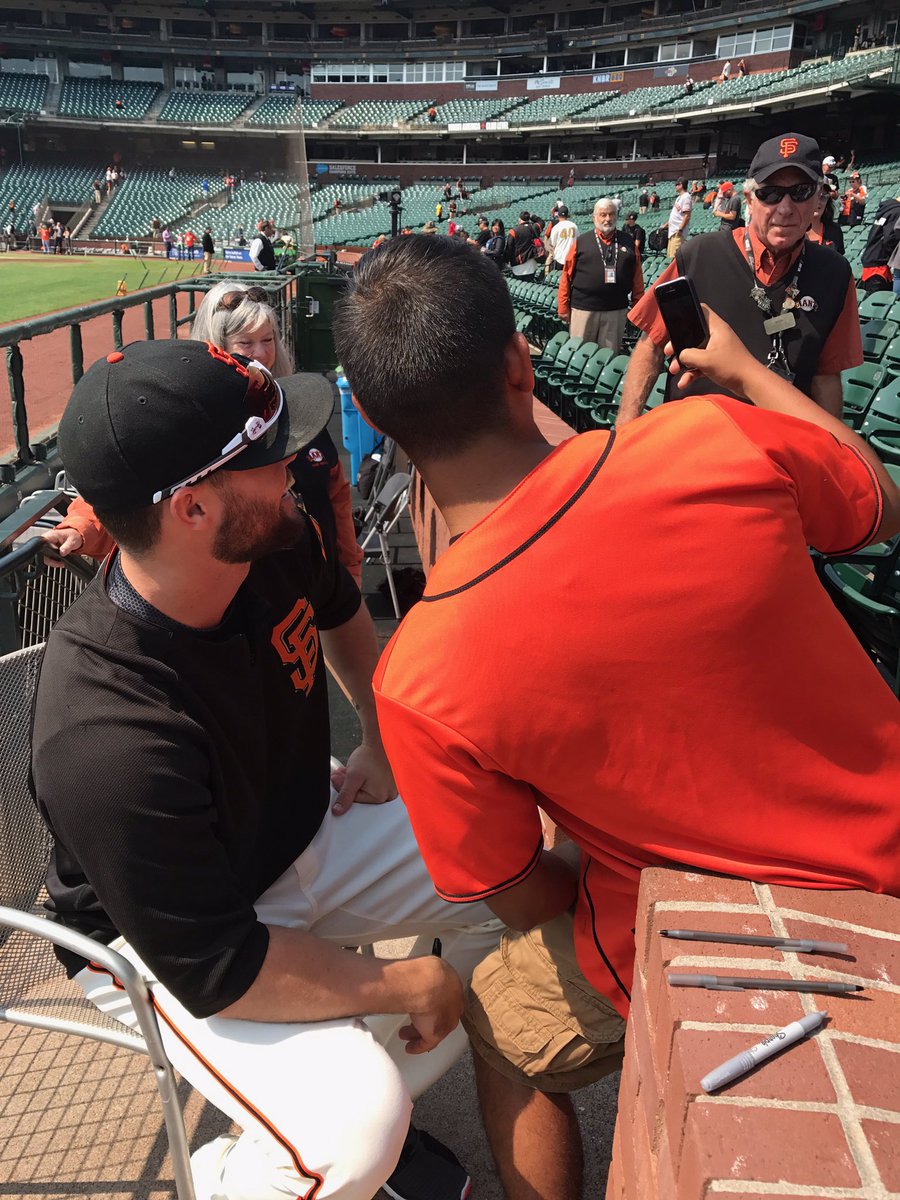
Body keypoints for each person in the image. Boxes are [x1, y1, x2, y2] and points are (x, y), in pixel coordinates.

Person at [332, 233, 900, 1200]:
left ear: (380, 425)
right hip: (885, 854)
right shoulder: (712, 436)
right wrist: (745, 370)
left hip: (692, 934)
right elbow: (883, 502)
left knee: (501, 1023)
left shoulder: (417, 674)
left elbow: (520, 895)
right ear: (520, 361)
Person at [33, 338, 502, 1200]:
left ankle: (282, 1153)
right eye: (262, 455)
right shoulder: (103, 727)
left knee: (533, 879)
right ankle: (244, 1179)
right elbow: (219, 964)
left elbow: (342, 616)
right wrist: (400, 977)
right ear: (192, 511)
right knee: (354, 1132)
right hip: (161, 938)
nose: (293, 461)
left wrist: (380, 736)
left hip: (302, 821)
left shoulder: (273, 533)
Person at [44, 280, 364, 588]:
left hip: (319, 591)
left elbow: (336, 496)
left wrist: (349, 571)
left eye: (268, 340)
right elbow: (133, 481)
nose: (261, 353)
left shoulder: (297, 407)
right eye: (246, 343)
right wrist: (79, 528)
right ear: (217, 347)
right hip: (239, 603)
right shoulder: (191, 423)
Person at [619, 132, 863, 423]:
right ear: (749, 198)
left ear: (818, 199)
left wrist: (827, 457)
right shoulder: (699, 254)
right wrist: (625, 428)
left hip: (779, 446)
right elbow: (652, 344)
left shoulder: (835, 273)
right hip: (692, 435)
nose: (785, 208)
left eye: (800, 192)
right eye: (770, 193)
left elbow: (826, 377)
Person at [557, 198, 644, 351]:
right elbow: (566, 275)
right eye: (603, 215)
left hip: (615, 311)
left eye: (611, 214)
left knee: (608, 357)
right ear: (594, 217)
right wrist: (563, 306)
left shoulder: (628, 242)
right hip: (583, 309)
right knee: (579, 354)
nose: (607, 219)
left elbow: (637, 278)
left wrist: (638, 306)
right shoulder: (581, 241)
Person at [807, 187, 845, 254]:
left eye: (823, 196)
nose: (818, 201)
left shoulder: (835, 230)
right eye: (814, 195)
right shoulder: (792, 232)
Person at [663, 177, 692, 259]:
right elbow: (676, 215)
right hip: (672, 232)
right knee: (670, 257)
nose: (675, 186)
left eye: (677, 184)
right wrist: (666, 225)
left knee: (674, 258)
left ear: (681, 185)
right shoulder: (679, 197)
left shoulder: (686, 197)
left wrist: (680, 229)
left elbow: (687, 215)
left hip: (677, 232)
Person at [506, 210, 541, 278]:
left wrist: (506, 261)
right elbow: (541, 222)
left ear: (519, 219)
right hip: (532, 265)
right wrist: (531, 217)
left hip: (518, 266)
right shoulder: (534, 227)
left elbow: (509, 249)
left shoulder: (513, 231)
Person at [546, 204, 577, 271]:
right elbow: (578, 241)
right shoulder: (574, 226)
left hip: (559, 259)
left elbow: (552, 244)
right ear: (567, 215)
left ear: (558, 215)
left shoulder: (556, 227)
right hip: (571, 259)